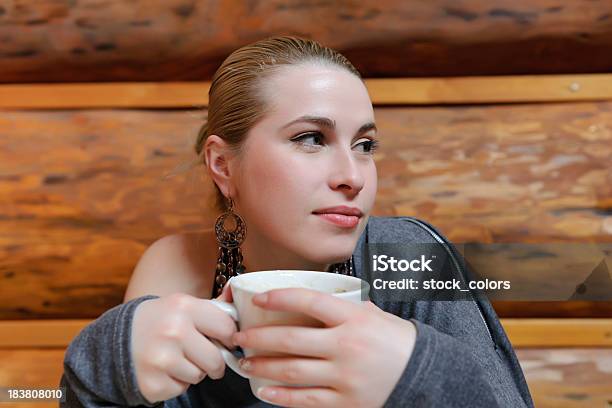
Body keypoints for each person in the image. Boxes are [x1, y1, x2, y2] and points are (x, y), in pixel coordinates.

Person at [59, 36, 535, 407]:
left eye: (364, 146)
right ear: (223, 165)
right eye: (310, 138)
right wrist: (105, 364)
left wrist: (421, 374)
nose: (353, 177)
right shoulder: (172, 267)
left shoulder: (406, 255)